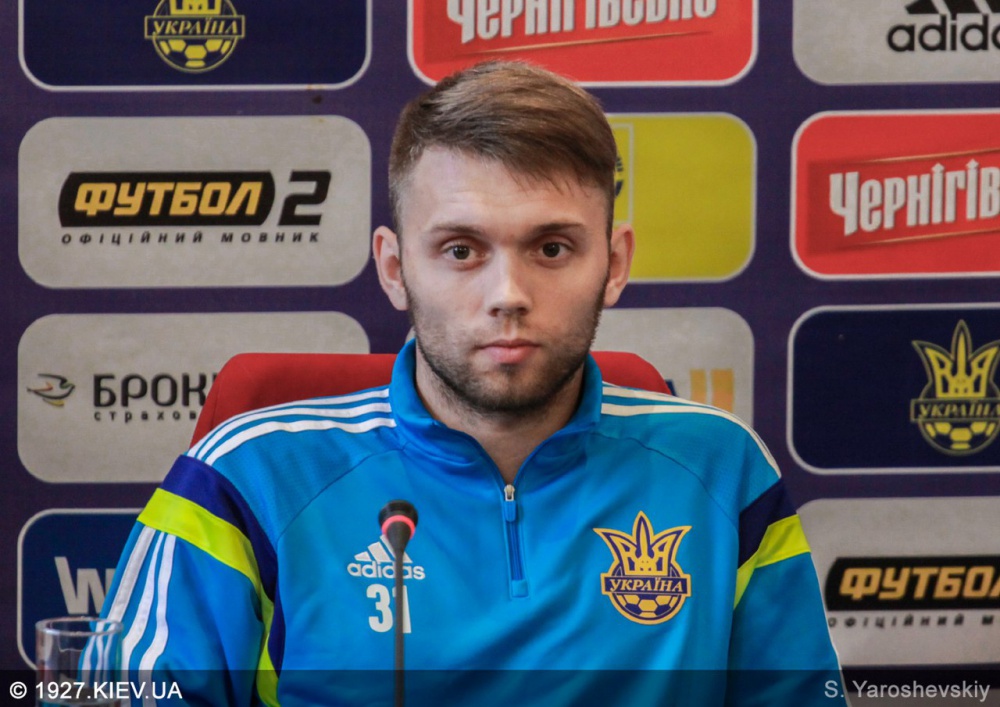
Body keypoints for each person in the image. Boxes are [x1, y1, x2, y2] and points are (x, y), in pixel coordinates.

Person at [101, 61, 845, 705]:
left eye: (552, 248)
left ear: (615, 265)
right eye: (461, 250)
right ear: (394, 267)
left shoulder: (724, 470)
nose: (508, 295)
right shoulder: (244, 478)